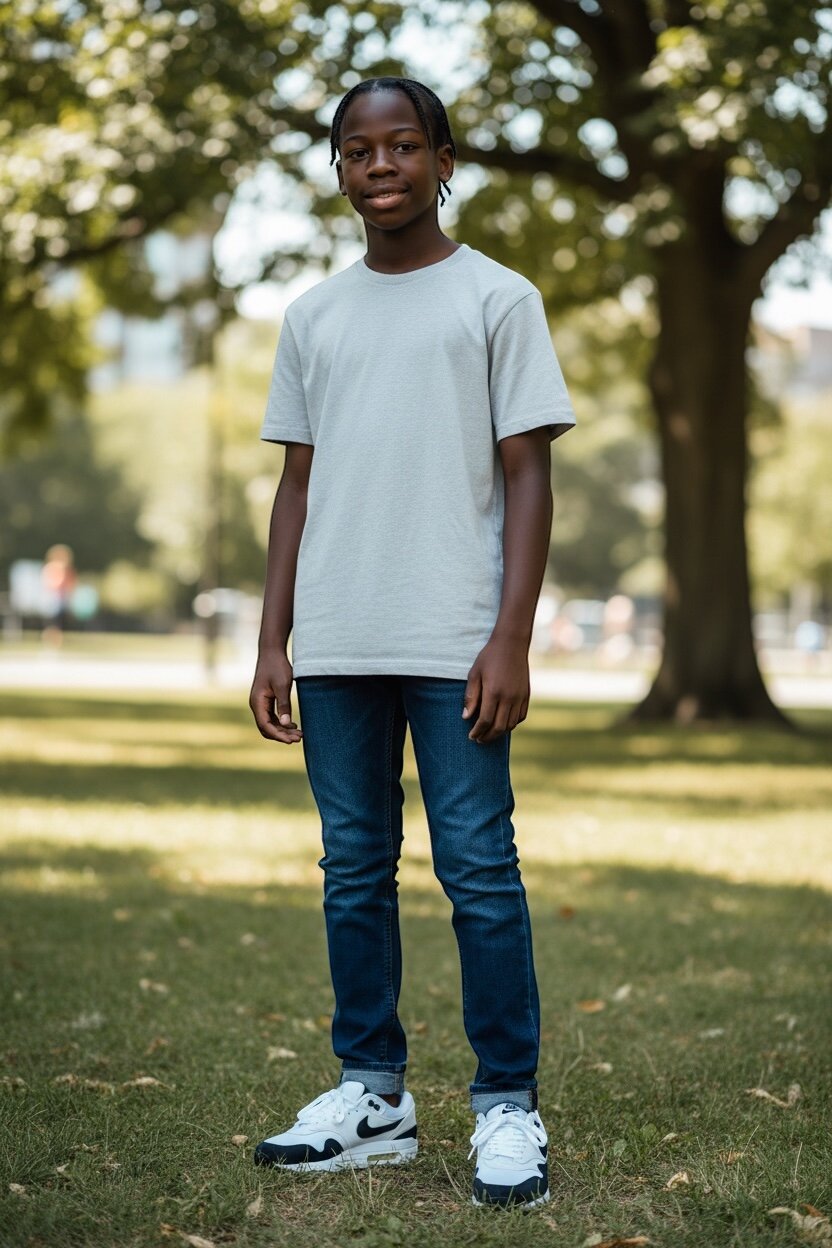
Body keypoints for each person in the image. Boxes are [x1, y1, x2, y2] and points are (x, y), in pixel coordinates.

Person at [248, 75, 576, 1211]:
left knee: (478, 871)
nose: (379, 165)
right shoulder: (313, 316)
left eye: (402, 146)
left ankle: (506, 1105)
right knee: (352, 870)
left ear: (443, 160)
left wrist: (511, 637)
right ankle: (374, 1095)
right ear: (338, 171)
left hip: (453, 640)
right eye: (357, 150)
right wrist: (271, 639)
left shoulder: (498, 299)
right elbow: (296, 486)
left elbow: (529, 475)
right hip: (337, 637)